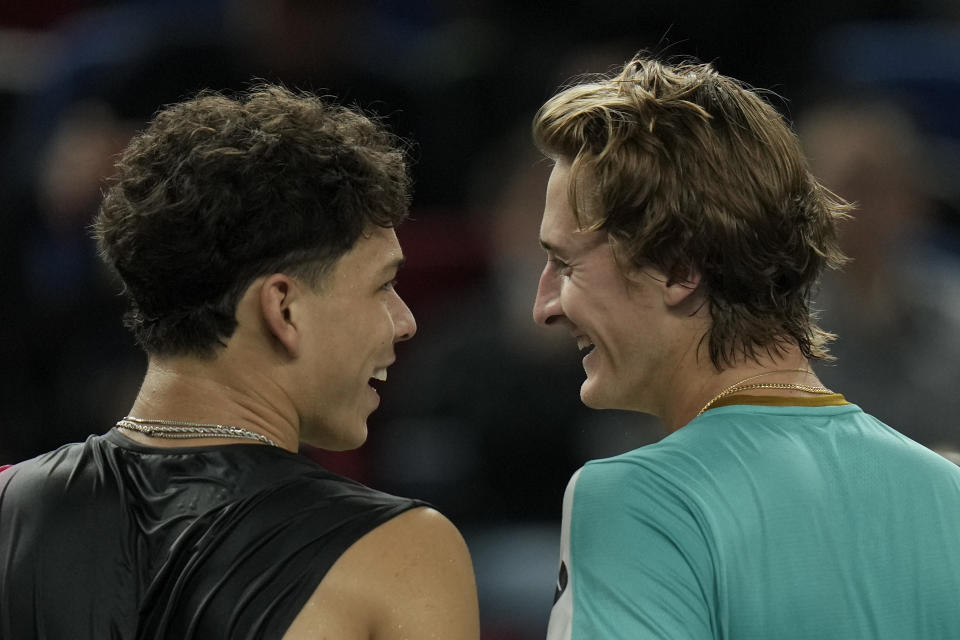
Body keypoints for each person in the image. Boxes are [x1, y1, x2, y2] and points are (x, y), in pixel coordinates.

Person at [0, 85, 479, 639]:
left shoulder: (8, 508)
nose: (404, 321)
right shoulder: (404, 552)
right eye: (384, 285)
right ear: (283, 308)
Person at [531, 54, 960, 639]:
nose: (545, 307)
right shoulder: (947, 491)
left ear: (679, 269)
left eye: (566, 265)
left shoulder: (637, 500)